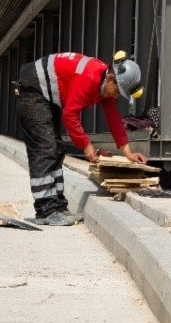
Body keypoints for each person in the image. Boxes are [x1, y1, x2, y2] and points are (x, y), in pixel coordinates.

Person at [14, 51, 148, 226]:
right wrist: (86, 145)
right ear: (110, 78)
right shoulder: (89, 77)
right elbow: (70, 115)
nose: (115, 96)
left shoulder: (104, 84)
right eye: (117, 91)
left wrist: (127, 152)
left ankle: (58, 207)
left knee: (57, 148)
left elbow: (113, 118)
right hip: (32, 88)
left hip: (45, 93)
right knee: (45, 147)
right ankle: (46, 210)